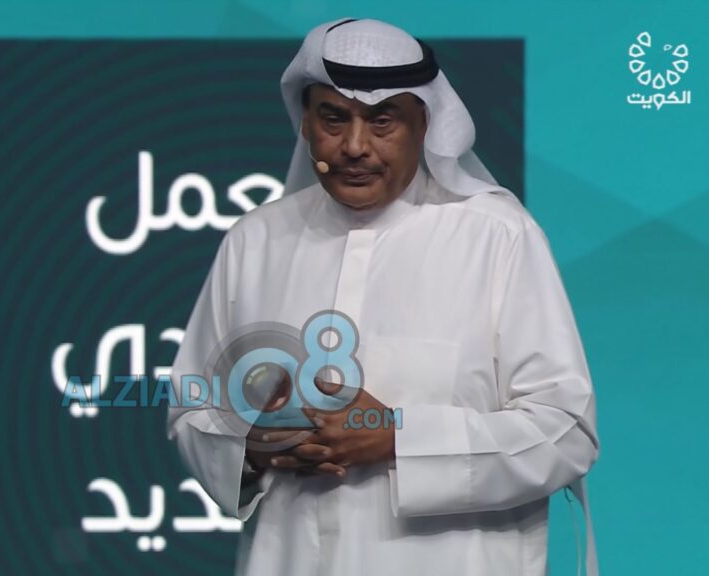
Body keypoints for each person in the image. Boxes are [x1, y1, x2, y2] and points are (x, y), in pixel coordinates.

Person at [167, 17, 599, 576]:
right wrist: (253, 447)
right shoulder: (256, 241)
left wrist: (398, 437)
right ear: (305, 124)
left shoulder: (497, 236)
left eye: (382, 121)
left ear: (426, 124)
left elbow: (566, 431)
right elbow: (193, 409)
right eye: (333, 119)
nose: (354, 146)